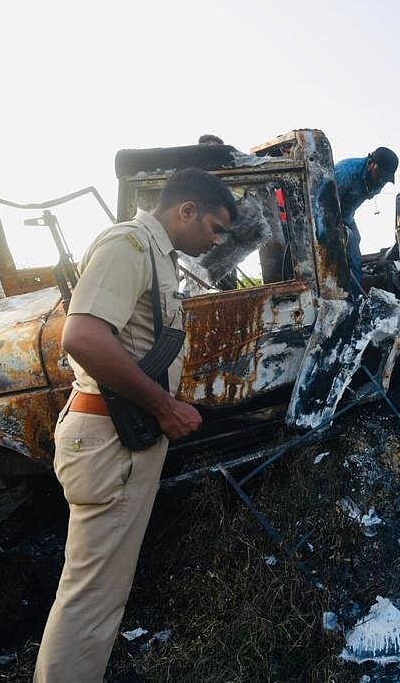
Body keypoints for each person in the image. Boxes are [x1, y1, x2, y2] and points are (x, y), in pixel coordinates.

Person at [34, 169, 237, 682]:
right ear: (186, 210)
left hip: (125, 437)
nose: (217, 241)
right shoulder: (128, 244)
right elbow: (82, 337)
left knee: (102, 595)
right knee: (91, 600)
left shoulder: (157, 254)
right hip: (112, 440)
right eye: (215, 227)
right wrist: (164, 407)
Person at [335, 147, 399, 291]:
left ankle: (355, 295)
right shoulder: (345, 173)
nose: (382, 181)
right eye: (380, 175)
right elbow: (324, 205)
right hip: (326, 215)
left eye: (386, 179)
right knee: (341, 251)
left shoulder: (378, 182)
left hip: (347, 216)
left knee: (355, 244)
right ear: (370, 164)